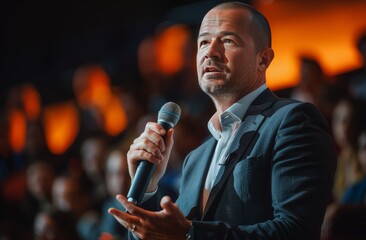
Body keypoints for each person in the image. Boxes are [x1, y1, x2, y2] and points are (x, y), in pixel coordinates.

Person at [108, 2, 336, 239]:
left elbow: (295, 231)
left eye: (228, 41)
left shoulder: (292, 121)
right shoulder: (195, 159)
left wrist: (190, 233)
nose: (211, 52)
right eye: (203, 42)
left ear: (263, 59)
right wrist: (148, 189)